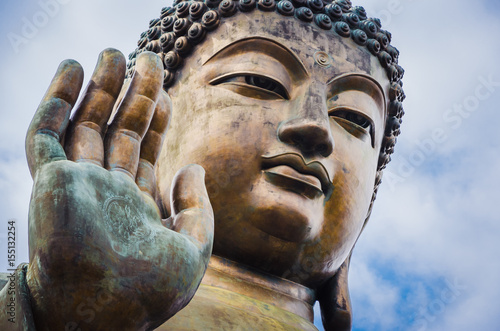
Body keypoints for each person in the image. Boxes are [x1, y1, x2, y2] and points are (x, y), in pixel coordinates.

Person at [0, 0, 405, 330]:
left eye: (356, 118)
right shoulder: (21, 307)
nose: (316, 127)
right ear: (139, 125)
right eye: (259, 80)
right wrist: (61, 312)